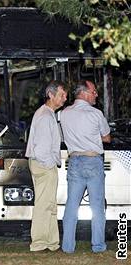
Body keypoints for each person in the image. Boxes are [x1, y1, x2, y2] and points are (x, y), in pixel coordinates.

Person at [61, 80, 111, 253]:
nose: (96, 94)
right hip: (93, 160)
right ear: (83, 92)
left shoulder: (64, 113)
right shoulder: (96, 114)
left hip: (74, 161)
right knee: (96, 206)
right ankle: (98, 246)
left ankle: (67, 247)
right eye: (94, 91)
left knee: (71, 206)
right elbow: (107, 138)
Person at [25, 80, 67, 252]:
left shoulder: (47, 114)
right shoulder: (44, 116)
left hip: (43, 164)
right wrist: (50, 164)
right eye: (62, 95)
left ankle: (51, 242)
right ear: (51, 95)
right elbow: (41, 149)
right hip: (43, 165)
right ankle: (39, 243)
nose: (65, 98)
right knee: (44, 205)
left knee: (49, 204)